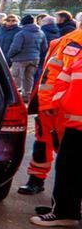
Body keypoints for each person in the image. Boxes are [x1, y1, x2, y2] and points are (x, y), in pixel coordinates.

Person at [21, 25, 82, 195]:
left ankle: (64, 201)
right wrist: (47, 103)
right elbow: (51, 74)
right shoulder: (73, 41)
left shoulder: (71, 40)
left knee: (67, 153)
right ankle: (37, 180)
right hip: (59, 107)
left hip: (67, 107)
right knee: (45, 143)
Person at [7, 15, 48, 101]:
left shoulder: (21, 33)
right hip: (35, 59)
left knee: (16, 78)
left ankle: (15, 98)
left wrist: (9, 56)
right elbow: (44, 48)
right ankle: (26, 97)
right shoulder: (41, 32)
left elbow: (15, 48)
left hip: (20, 59)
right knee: (29, 78)